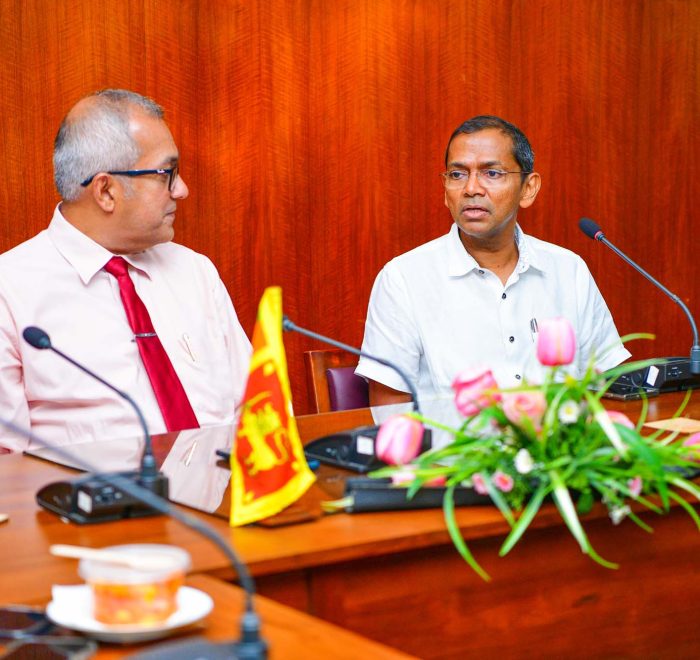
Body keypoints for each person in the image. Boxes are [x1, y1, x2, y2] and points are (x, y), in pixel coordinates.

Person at [0, 89, 251, 451]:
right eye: (166, 174)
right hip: (95, 487)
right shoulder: (10, 291)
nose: (181, 190)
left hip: (224, 482)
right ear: (106, 191)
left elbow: (255, 407)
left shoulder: (195, 271)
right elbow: (7, 464)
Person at [356, 115, 630, 406]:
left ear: (528, 188)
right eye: (457, 174)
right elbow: (389, 414)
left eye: (492, 173)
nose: (471, 188)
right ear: (445, 190)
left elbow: (608, 388)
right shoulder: (404, 279)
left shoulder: (568, 270)